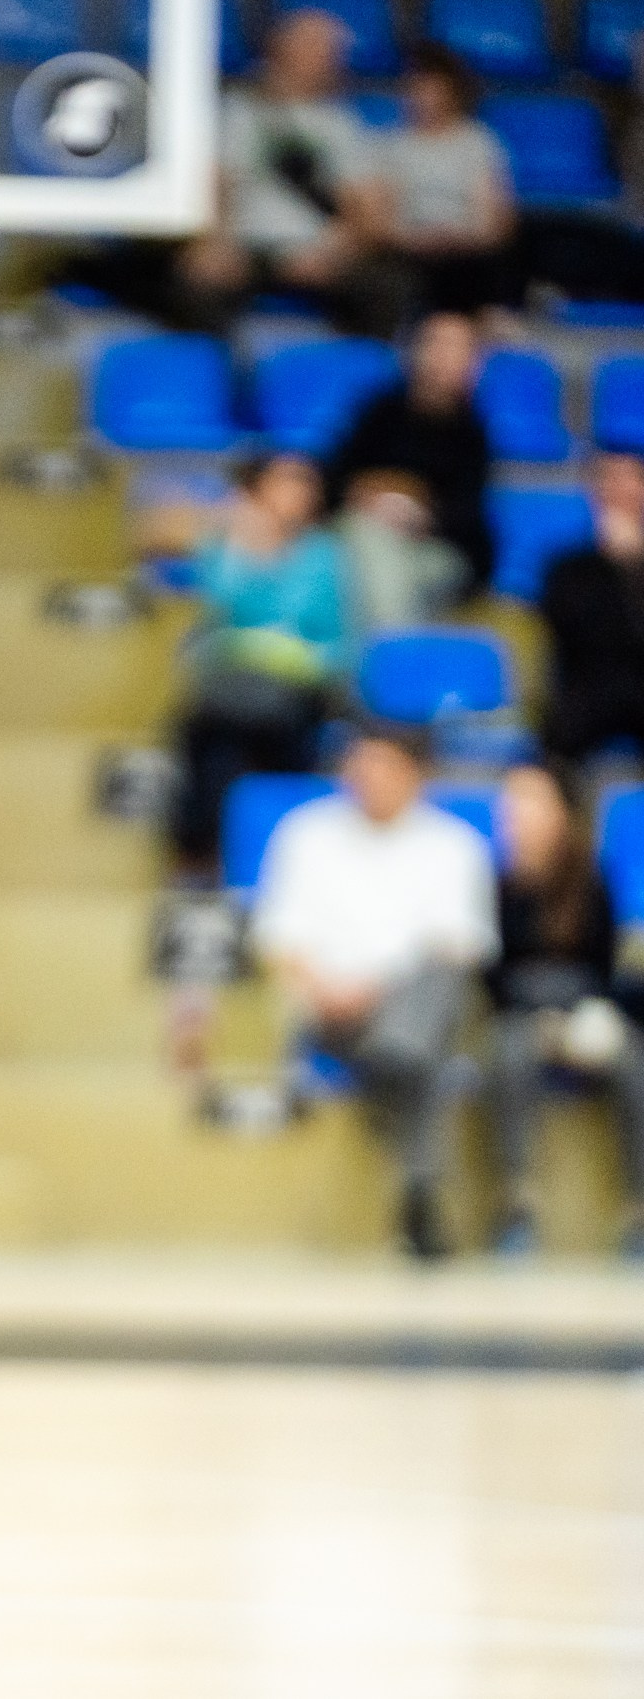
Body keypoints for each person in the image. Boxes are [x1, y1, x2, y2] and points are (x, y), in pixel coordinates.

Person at [253, 724, 496, 1260]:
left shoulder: (455, 846)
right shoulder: (305, 834)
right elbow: (278, 938)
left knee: (431, 1000)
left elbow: (460, 947)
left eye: (382, 765)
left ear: (417, 775)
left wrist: (377, 990)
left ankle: (395, 1065)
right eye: (358, 765)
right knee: (422, 1060)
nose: (367, 778)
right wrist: (327, 989)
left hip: (412, 1000)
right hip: (329, 1007)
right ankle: (421, 1195)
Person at [64, 13, 403, 337]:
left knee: (388, 287)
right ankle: (217, 382)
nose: (329, 59)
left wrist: (333, 252)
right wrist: (215, 241)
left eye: (332, 52)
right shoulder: (236, 113)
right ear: (283, 51)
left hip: (318, 251)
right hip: (245, 248)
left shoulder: (344, 125)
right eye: (317, 49)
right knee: (193, 285)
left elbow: (366, 210)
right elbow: (215, 184)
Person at [483, 762, 644, 1260]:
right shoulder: (497, 885)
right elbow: (492, 972)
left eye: (531, 801)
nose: (517, 813)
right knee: (508, 1055)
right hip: (523, 1014)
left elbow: (603, 966)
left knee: (632, 1065)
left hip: (583, 1010)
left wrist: (587, 1018)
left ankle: (636, 1210)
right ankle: (518, 1204)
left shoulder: (591, 882)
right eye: (512, 803)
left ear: (559, 812)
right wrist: (539, 1019)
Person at [167, 453, 350, 871]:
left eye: (304, 483)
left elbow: (332, 633)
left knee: (246, 728)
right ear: (259, 489)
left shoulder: (326, 554)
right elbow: (221, 602)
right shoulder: (225, 545)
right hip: (232, 684)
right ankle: (206, 854)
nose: (295, 493)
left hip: (301, 686)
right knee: (216, 739)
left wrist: (280, 645)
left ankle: (229, 852)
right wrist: (243, 543)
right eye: (284, 481)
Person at [321, 310, 493, 617]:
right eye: (437, 344)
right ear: (416, 351)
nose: (444, 357)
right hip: (361, 532)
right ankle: (393, 656)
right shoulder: (378, 413)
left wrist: (416, 514)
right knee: (371, 548)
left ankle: (380, 656)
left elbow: (469, 519)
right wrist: (371, 498)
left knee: (384, 572)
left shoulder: (473, 434)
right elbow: (334, 481)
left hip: (435, 551)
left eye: (459, 347)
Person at [374, 46, 516, 324]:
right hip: (408, 247)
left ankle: (487, 328)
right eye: (417, 87)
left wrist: (462, 238)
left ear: (452, 91)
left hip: (466, 248)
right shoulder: (387, 145)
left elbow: (495, 218)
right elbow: (381, 217)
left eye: (433, 88)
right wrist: (415, 240)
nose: (424, 97)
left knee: (483, 262)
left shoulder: (479, 142)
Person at [538, 451, 644, 762]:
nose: (619, 489)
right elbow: (575, 634)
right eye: (610, 479)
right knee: (556, 736)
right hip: (588, 686)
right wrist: (610, 564)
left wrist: (633, 568)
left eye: (630, 479)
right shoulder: (568, 566)